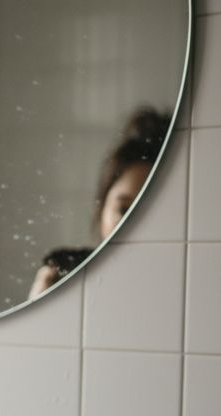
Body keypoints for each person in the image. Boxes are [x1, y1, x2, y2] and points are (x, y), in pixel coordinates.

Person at [29, 106, 171, 298]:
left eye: (152, 215)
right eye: (124, 209)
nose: (134, 225)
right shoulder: (65, 273)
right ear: (102, 208)